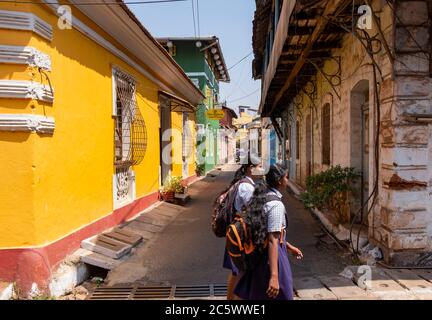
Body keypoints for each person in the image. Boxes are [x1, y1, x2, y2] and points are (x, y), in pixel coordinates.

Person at [234, 164, 303, 300]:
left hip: (260, 257)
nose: (287, 180)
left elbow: (264, 231)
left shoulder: (262, 197)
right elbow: (272, 239)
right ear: (280, 181)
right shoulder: (276, 205)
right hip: (271, 260)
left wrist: (288, 247)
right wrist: (274, 277)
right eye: (286, 177)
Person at [222, 155, 262, 300]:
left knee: (236, 272)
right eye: (259, 167)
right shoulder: (246, 187)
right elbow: (253, 211)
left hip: (236, 233)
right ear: (251, 169)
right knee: (242, 273)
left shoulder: (243, 183)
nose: (261, 169)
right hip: (242, 236)